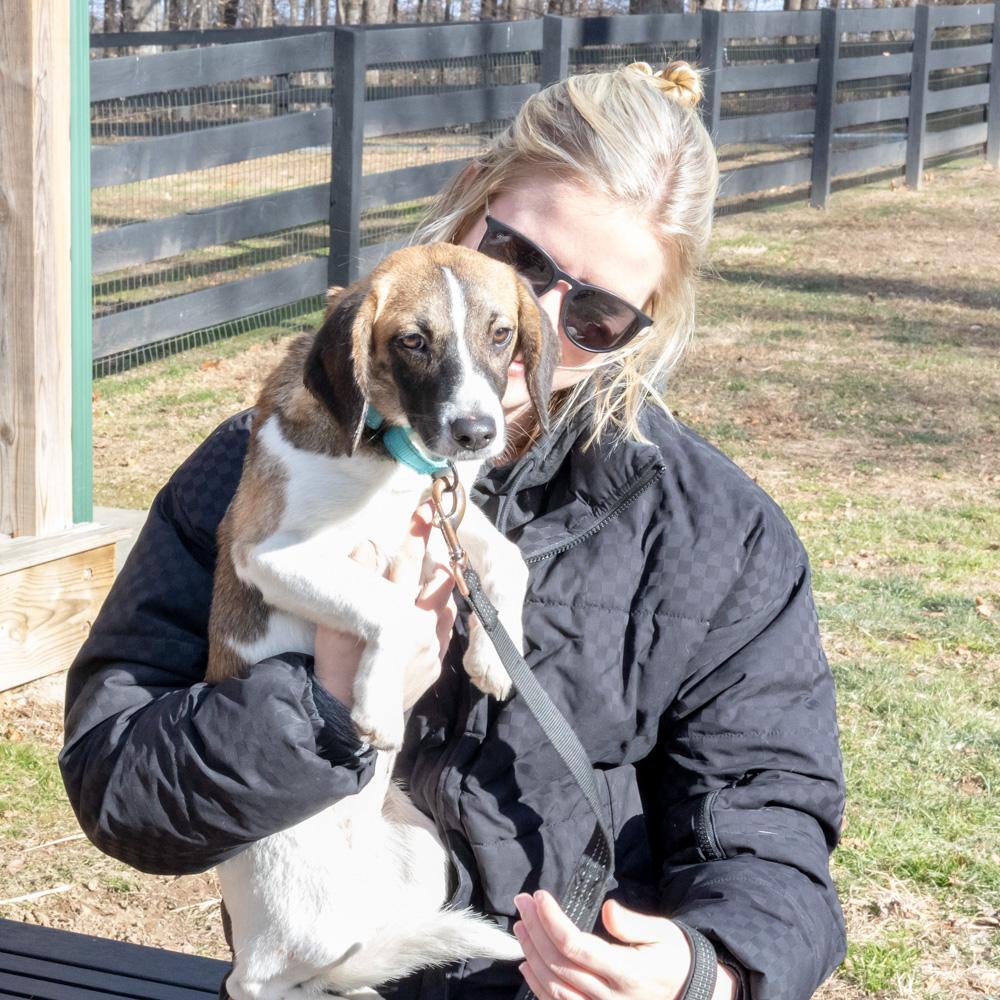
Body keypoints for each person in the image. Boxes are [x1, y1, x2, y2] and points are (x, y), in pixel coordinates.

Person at [60, 60, 846, 1000]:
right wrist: (321, 709)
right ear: (470, 205)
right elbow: (120, 787)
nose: (528, 323)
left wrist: (706, 968)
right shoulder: (268, 455)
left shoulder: (717, 532)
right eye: (517, 261)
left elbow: (770, 813)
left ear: (642, 330)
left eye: (595, 314)